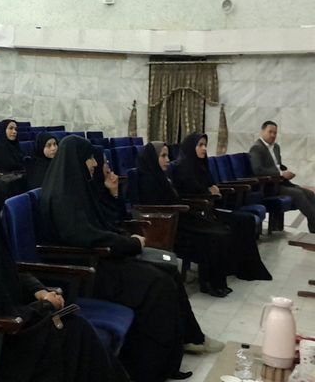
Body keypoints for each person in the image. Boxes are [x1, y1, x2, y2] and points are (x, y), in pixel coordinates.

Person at [40, 135, 223, 382]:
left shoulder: (75, 187)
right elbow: (85, 236)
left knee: (167, 271)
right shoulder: (63, 196)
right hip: (83, 271)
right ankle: (149, 368)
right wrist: (130, 244)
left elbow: (102, 225)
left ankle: (183, 343)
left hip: (97, 259)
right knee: (158, 285)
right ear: (77, 160)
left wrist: (116, 204)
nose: (94, 164)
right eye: (90, 158)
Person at [0, 172, 128, 382]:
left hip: (6, 332)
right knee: (76, 335)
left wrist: (37, 290)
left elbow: (10, 272)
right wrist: (44, 307)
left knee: (76, 330)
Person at [137, 141, 231, 297]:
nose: (168, 160)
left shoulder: (162, 177)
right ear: (153, 158)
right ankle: (209, 283)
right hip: (167, 227)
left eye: (168, 155)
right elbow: (155, 209)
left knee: (221, 230)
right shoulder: (148, 180)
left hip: (179, 220)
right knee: (213, 237)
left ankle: (216, 282)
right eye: (163, 156)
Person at [173, 133, 272, 281]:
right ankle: (230, 268)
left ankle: (241, 268)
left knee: (246, 220)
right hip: (195, 214)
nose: (204, 148)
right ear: (190, 147)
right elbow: (190, 192)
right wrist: (208, 191)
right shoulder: (182, 168)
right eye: (200, 145)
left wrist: (211, 189)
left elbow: (212, 185)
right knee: (234, 223)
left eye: (205, 145)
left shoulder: (201, 165)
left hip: (209, 210)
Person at [250, 120, 315, 233]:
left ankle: (313, 230)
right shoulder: (256, 148)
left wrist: (286, 172)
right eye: (270, 132)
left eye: (275, 133)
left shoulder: (276, 147)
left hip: (281, 183)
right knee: (299, 194)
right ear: (262, 131)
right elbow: (257, 170)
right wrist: (280, 174)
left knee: (310, 194)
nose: (273, 135)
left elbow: (278, 165)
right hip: (268, 186)